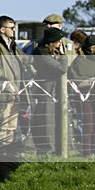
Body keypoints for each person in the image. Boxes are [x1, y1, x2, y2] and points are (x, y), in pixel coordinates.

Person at [0, 15, 30, 145]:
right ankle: (1, 151)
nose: (14, 30)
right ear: (2, 29)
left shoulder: (14, 47)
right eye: (11, 28)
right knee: (2, 125)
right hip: (2, 92)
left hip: (16, 91)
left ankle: (8, 151)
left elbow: (26, 61)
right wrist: (3, 73)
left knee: (12, 126)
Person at [30, 27, 69, 157]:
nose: (60, 44)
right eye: (58, 42)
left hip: (55, 92)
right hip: (46, 91)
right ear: (51, 42)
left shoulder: (51, 52)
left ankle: (57, 148)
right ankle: (46, 149)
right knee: (45, 121)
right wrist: (63, 56)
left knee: (56, 120)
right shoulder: (41, 54)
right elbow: (62, 68)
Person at [68, 34, 95, 158]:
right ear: (91, 48)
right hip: (86, 99)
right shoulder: (80, 61)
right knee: (88, 126)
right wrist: (94, 80)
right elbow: (76, 82)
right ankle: (87, 153)